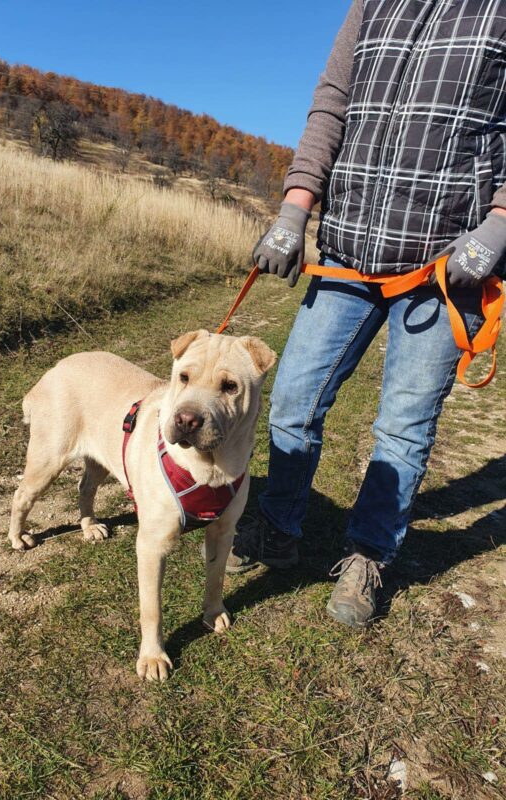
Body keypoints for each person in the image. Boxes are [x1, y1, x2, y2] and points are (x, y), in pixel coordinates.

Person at [227, 0, 506, 628]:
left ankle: (368, 555)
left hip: (448, 265)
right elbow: (331, 103)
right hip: (350, 249)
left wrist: (500, 223)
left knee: (404, 424)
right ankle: (277, 526)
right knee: (294, 397)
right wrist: (295, 210)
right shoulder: (372, 5)